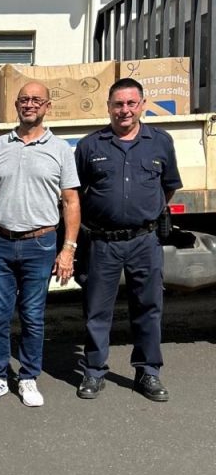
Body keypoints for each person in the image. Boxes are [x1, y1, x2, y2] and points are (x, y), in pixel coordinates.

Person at [74, 77, 182, 402]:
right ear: (108, 107)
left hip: (144, 240)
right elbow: (74, 195)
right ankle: (94, 372)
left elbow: (168, 187)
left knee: (148, 309)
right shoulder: (90, 146)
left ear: (142, 105)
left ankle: (148, 372)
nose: (125, 110)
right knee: (97, 311)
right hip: (102, 242)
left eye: (131, 103)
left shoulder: (160, 142)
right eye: (118, 104)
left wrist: (145, 212)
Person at [0, 82, 81, 407]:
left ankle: (28, 378)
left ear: (47, 106)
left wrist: (68, 248)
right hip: (1, 242)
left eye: (36, 100)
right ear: (17, 105)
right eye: (24, 99)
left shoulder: (60, 149)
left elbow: (71, 201)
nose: (29, 104)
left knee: (33, 316)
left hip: (41, 243)